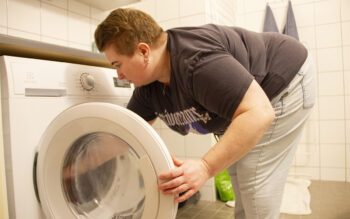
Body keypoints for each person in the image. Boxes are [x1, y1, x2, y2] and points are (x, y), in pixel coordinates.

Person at [94, 8, 316, 219]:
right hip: (256, 101)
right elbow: (120, 136)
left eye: (117, 64)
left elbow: (259, 113)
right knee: (239, 175)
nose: (119, 75)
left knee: (255, 179)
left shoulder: (195, 62)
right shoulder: (148, 89)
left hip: (283, 83)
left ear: (143, 51)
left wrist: (205, 167)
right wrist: (72, 169)